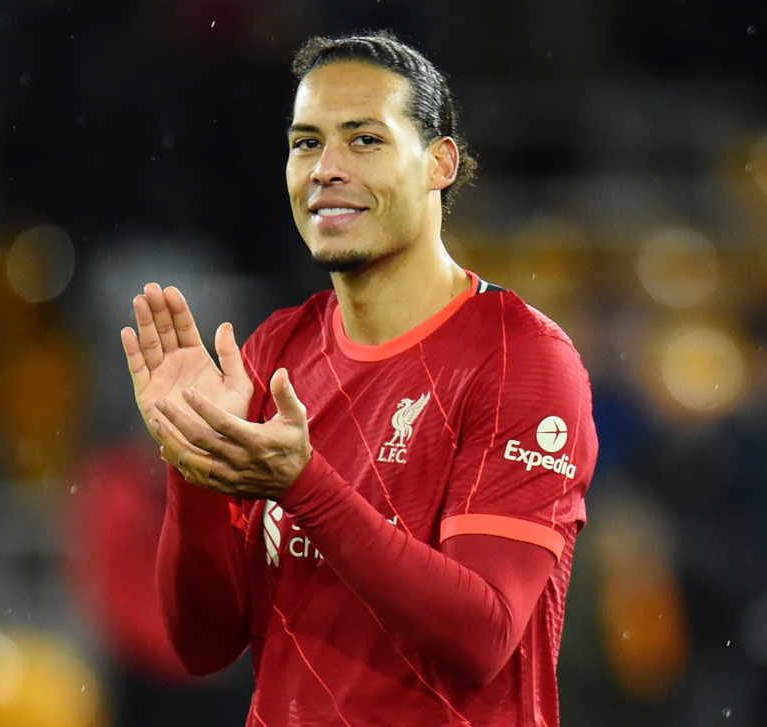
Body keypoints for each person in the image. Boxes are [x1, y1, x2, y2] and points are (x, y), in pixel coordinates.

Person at [120, 30, 597, 727]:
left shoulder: (519, 357)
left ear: (439, 163)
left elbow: (482, 636)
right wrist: (194, 459)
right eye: (306, 142)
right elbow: (202, 645)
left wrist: (303, 485)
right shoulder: (277, 349)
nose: (324, 168)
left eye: (364, 140)